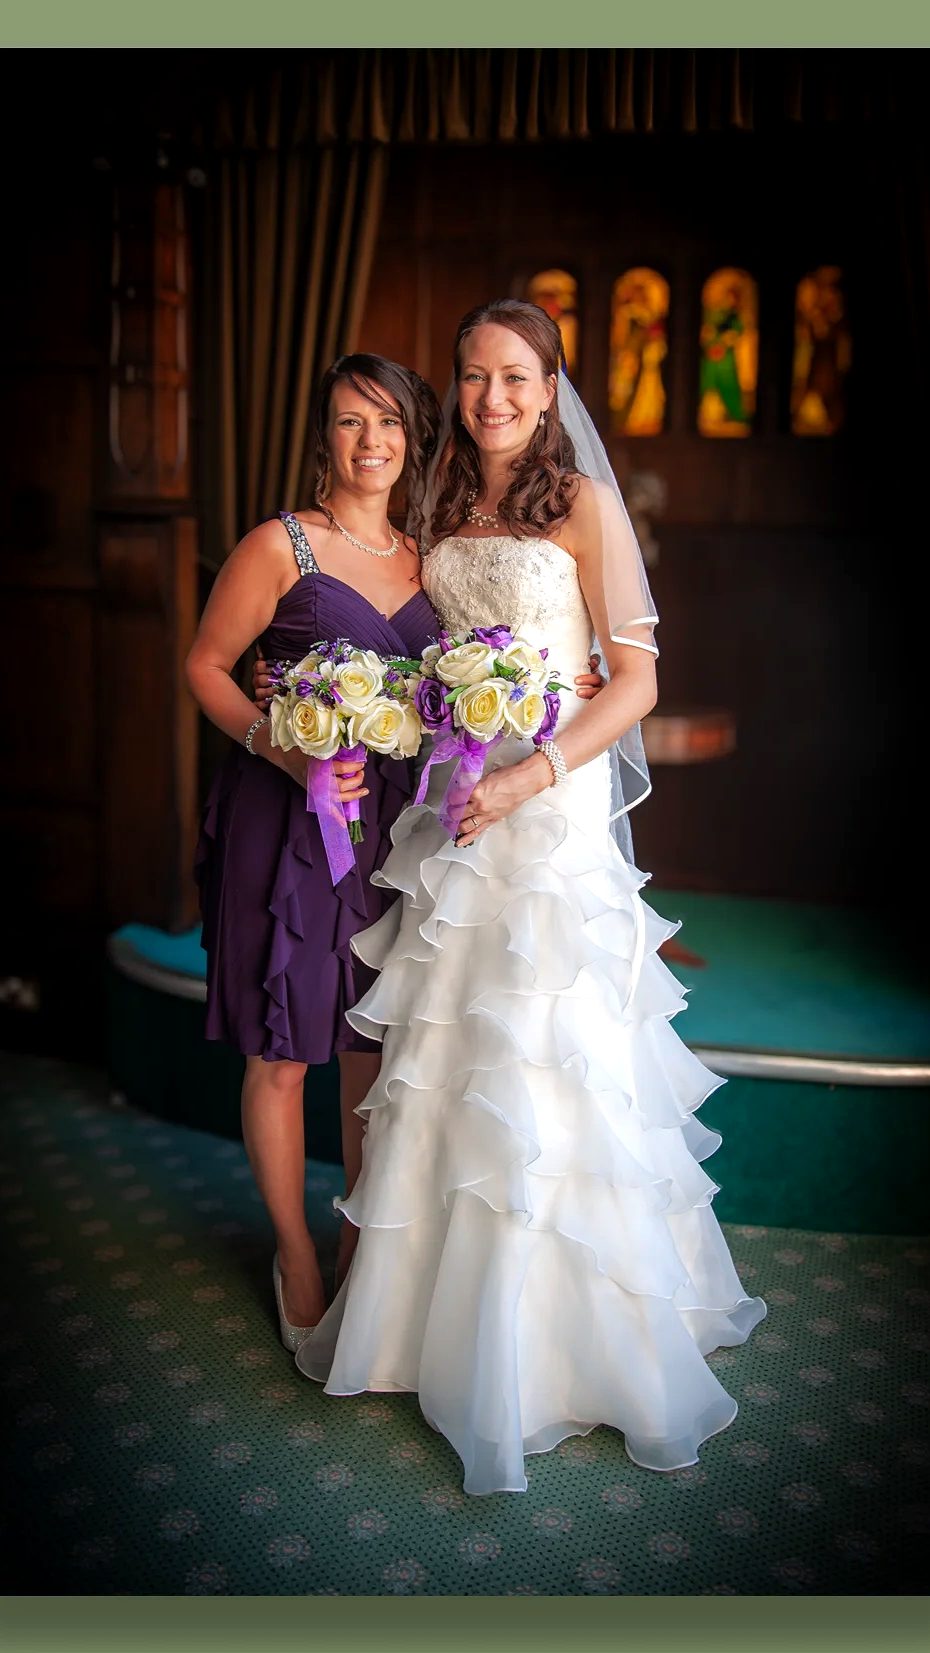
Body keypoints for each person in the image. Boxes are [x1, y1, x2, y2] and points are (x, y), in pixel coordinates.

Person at [296, 300, 766, 1495]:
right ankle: (421, 1324)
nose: (492, 399)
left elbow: (638, 681)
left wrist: (536, 776)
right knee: (450, 1047)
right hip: (452, 808)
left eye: (515, 378)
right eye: (472, 378)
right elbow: (418, 654)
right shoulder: (446, 507)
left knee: (545, 1051)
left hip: (546, 817)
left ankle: (555, 1342)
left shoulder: (584, 506)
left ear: (552, 390)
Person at [189, 351, 607, 1348]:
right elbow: (207, 666)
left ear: (413, 440)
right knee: (285, 1048)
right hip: (287, 819)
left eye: (386, 424)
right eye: (347, 423)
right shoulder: (279, 544)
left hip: (394, 825)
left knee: (371, 1049)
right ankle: (292, 1248)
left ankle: (355, 1245)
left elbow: (489, 666)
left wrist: (566, 688)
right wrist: (284, 752)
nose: (368, 443)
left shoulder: (430, 555)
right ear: (322, 436)